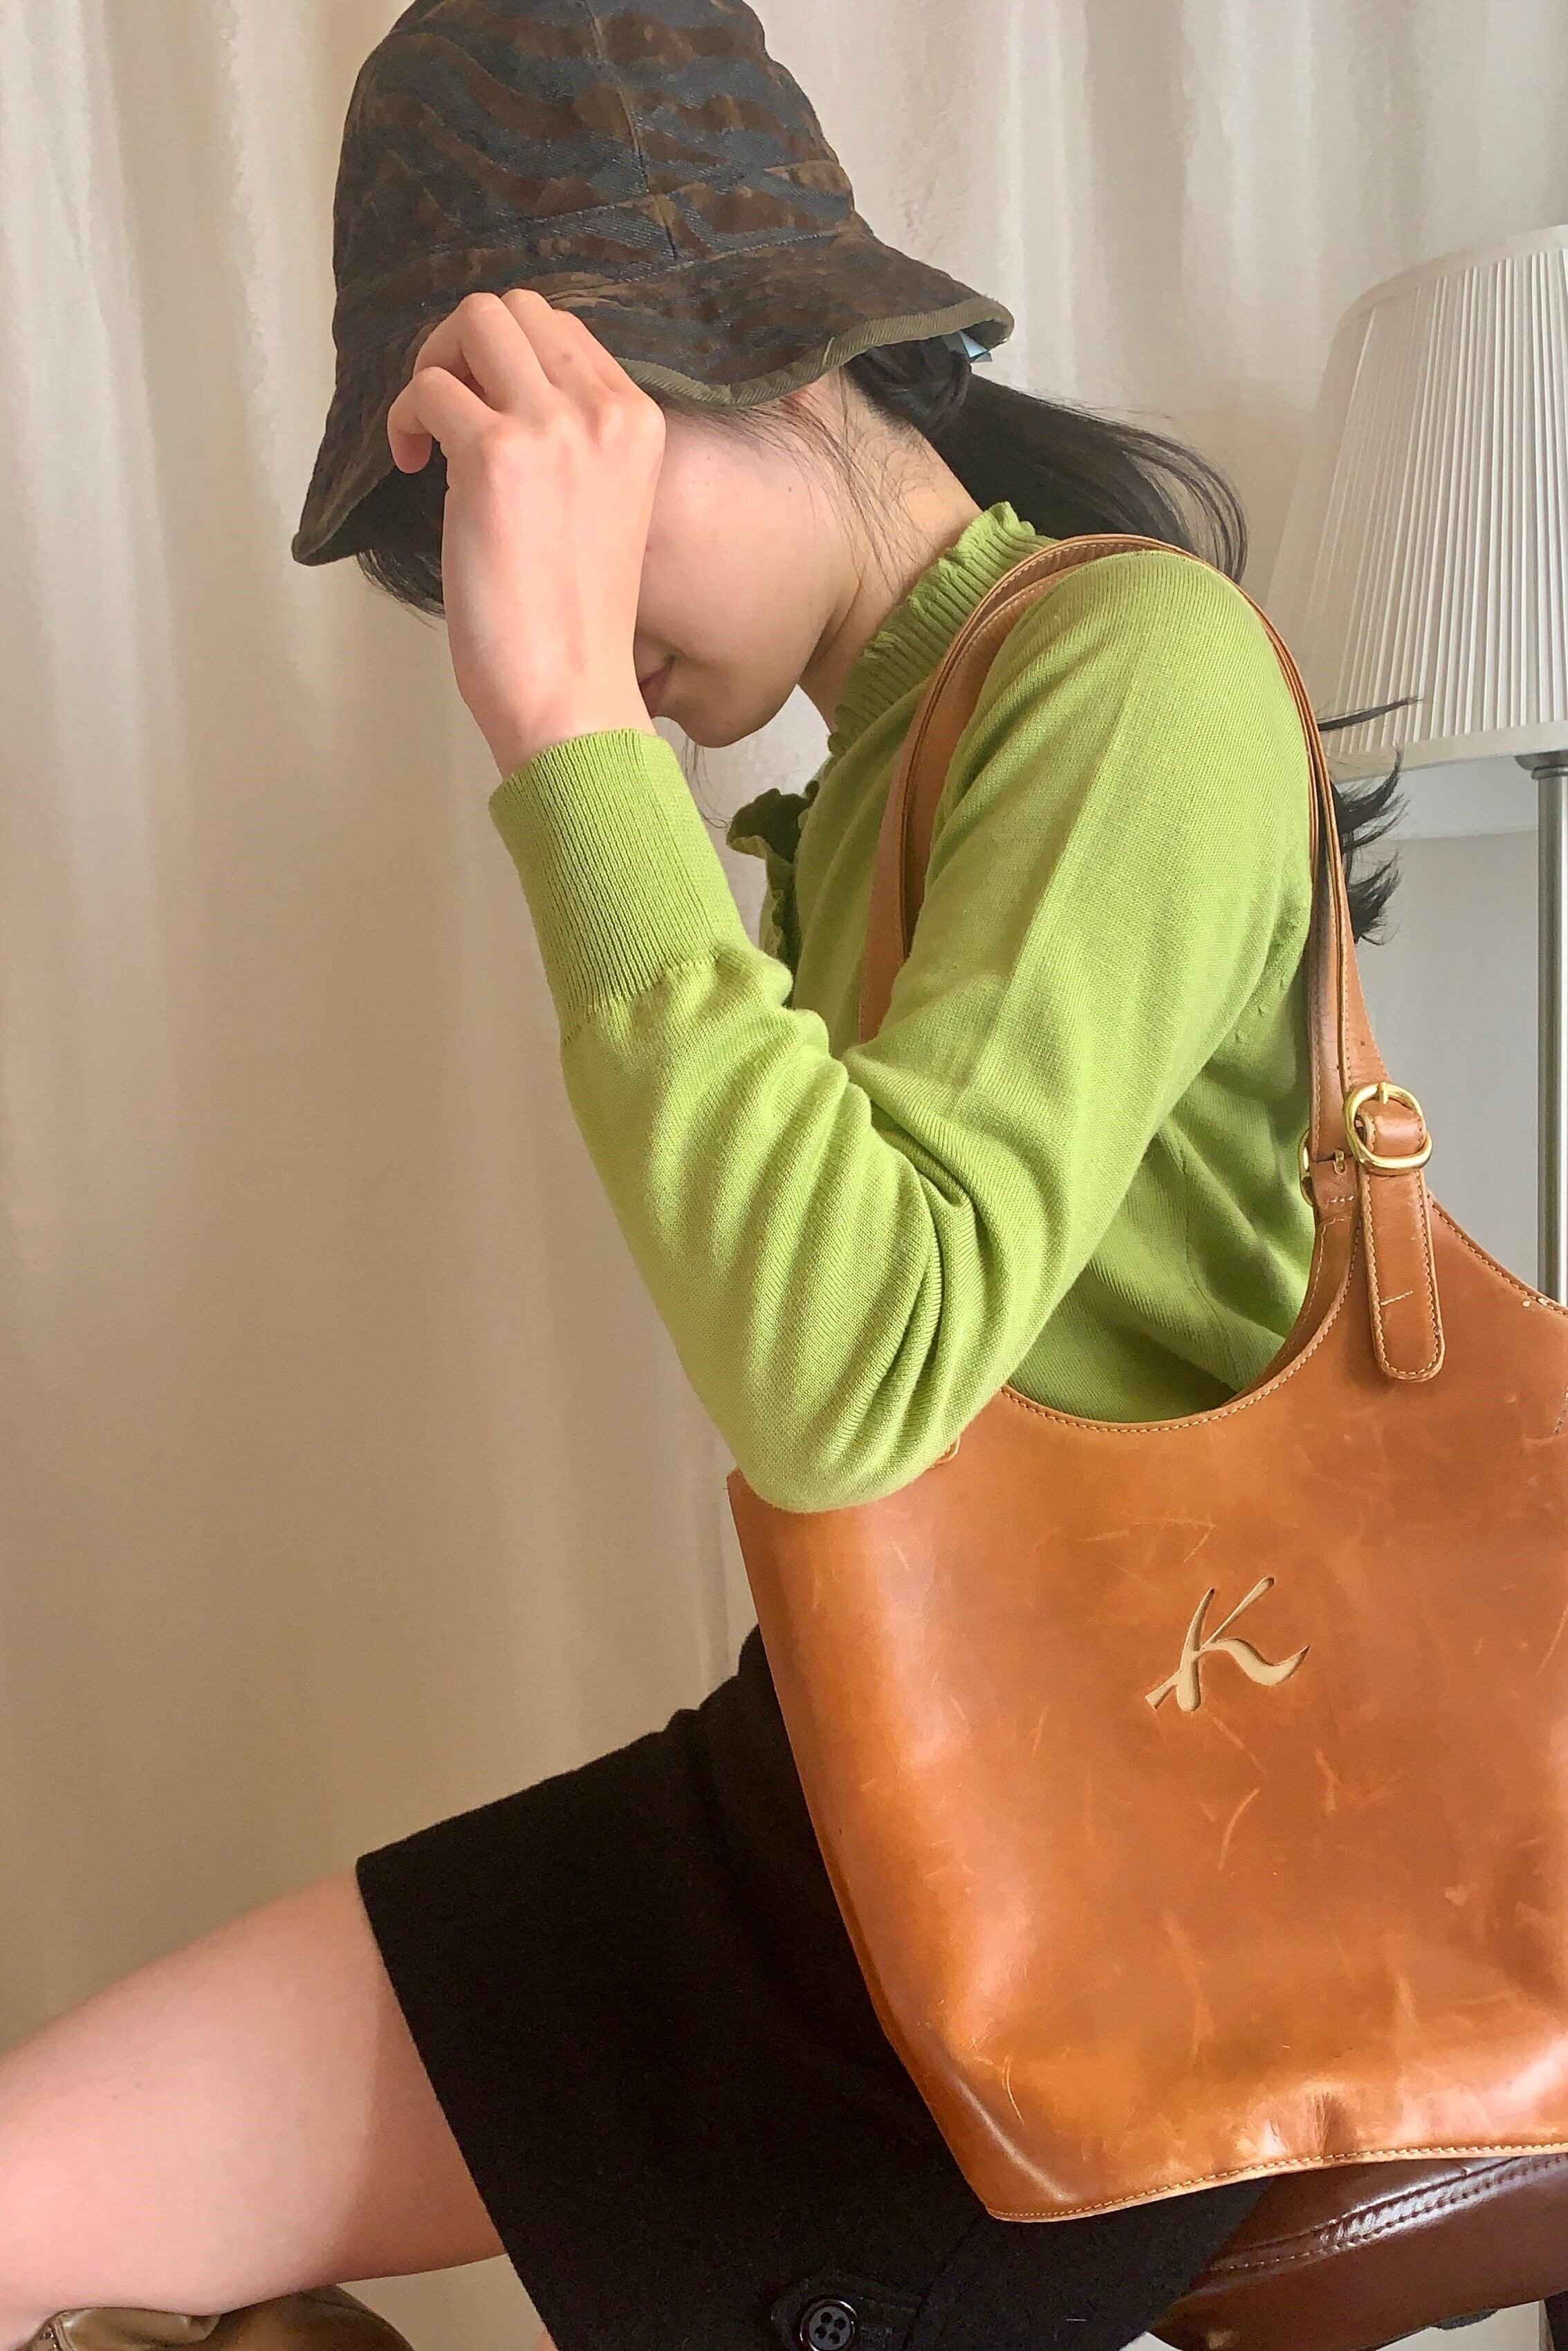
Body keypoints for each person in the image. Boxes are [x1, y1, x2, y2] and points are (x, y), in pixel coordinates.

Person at [0, 5, 1402, 2351]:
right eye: (475, 560)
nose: (517, 608)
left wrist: (565, 732)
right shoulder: (858, 794)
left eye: (528, 513)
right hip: (851, 1805)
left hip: (1119, 1908)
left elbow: (846, 1371)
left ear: (724, 363)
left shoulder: (1132, 664)